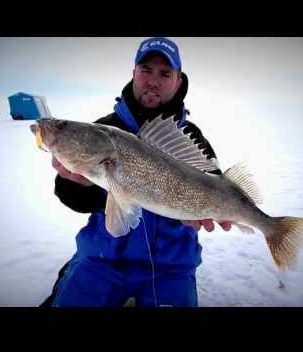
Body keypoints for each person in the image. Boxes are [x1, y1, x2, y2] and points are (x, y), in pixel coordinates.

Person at [40, 37, 233, 307]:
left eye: (165, 73)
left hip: (170, 267)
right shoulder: (103, 129)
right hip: (101, 260)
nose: (153, 80)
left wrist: (206, 211)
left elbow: (213, 186)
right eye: (146, 70)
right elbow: (70, 196)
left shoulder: (191, 137)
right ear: (133, 74)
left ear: (178, 81)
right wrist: (76, 184)